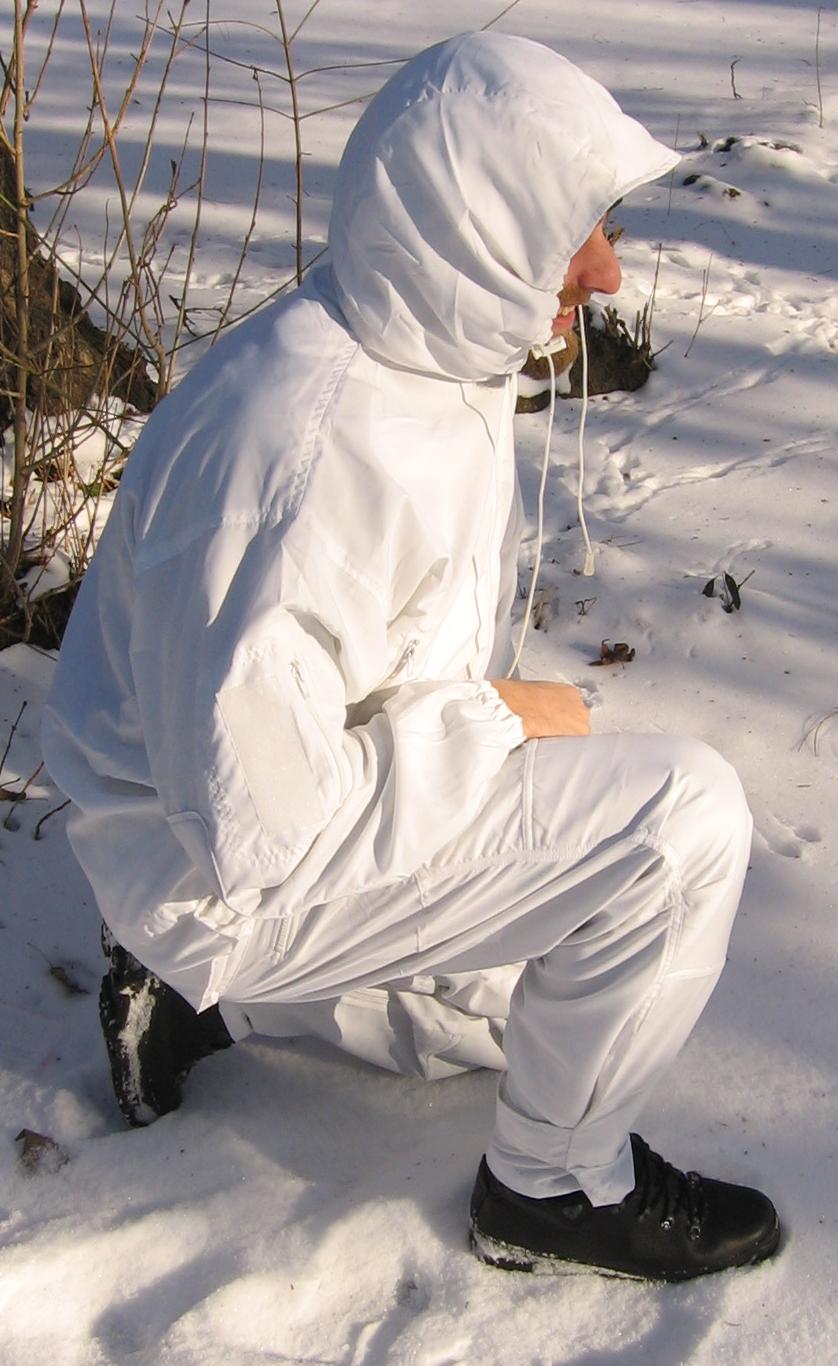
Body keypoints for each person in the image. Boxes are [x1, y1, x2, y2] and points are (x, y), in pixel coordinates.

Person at [42, 32, 780, 1282]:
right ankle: (554, 1189)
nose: (604, 271)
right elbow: (265, 832)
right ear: (467, 227)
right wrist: (494, 722)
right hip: (220, 861)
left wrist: (480, 726)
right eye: (568, 231)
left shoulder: (429, 349)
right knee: (676, 826)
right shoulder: (301, 454)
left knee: (530, 1000)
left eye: (599, 225)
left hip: (256, 808)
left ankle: (199, 997)